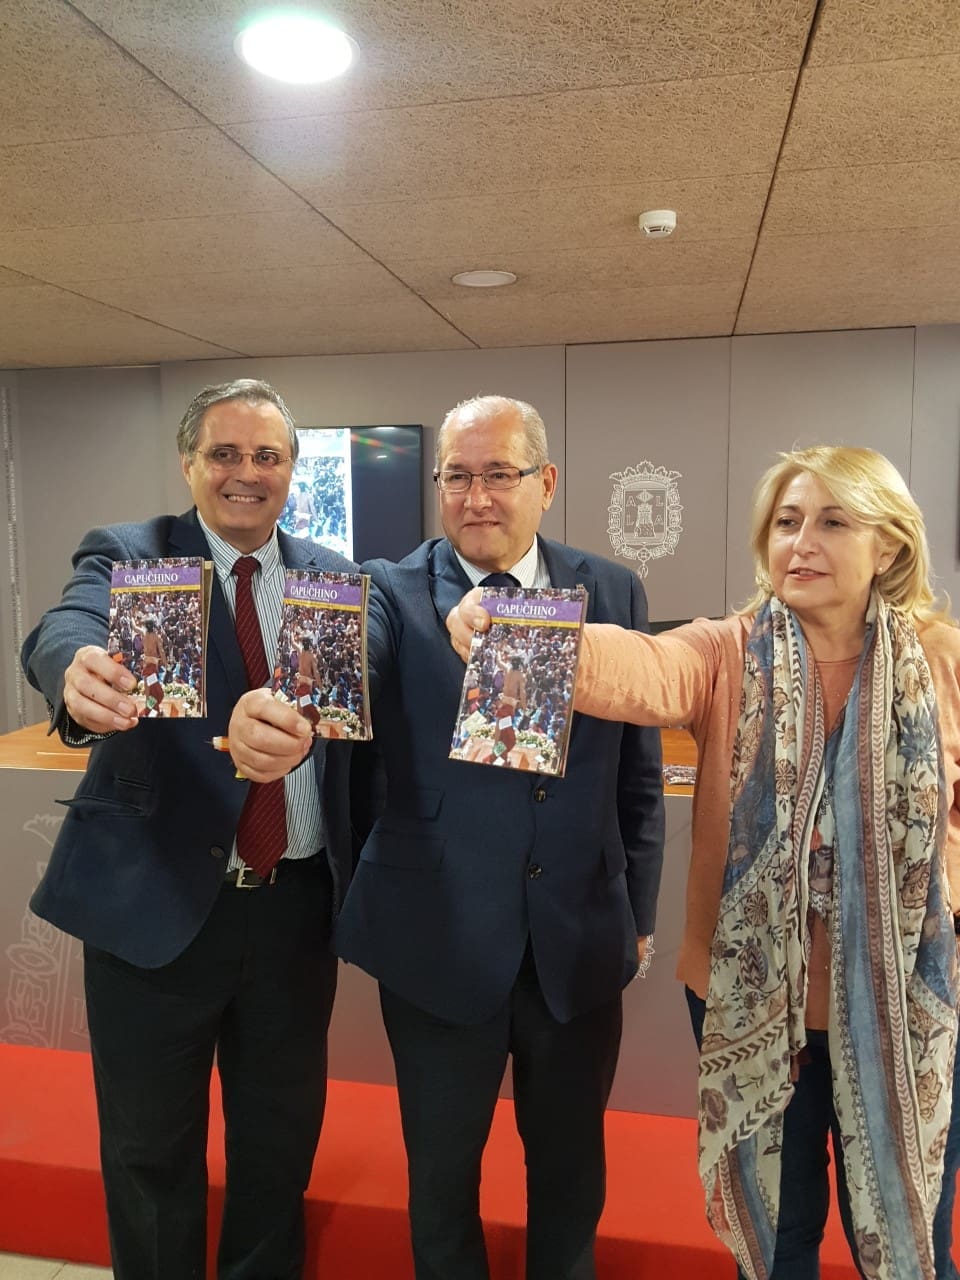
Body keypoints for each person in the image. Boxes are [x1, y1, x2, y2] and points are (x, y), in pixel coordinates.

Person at [452, 444, 960, 1280]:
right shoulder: (729, 650)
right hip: (752, 1002)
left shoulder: (937, 660)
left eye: (833, 523)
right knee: (780, 1234)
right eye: (786, 522)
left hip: (907, 1005)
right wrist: (516, 632)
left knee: (917, 1233)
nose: (801, 543)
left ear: (889, 547)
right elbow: (640, 667)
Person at [228, 393, 665, 1280]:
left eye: (499, 474)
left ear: (545, 482)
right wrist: (281, 711)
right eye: (457, 476)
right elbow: (344, 668)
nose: (477, 497)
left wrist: (641, 912)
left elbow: (636, 772)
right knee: (440, 1178)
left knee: (571, 1173)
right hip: (437, 939)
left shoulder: (612, 589)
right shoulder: (387, 591)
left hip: (576, 937)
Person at [21, 378, 367, 1280]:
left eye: (267, 456)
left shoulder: (334, 577)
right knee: (150, 1152)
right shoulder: (132, 555)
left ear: (292, 470)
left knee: (278, 1147)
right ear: (188, 463)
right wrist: (76, 669)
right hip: (155, 905)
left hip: (293, 911)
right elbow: (65, 626)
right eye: (225, 453)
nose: (246, 473)